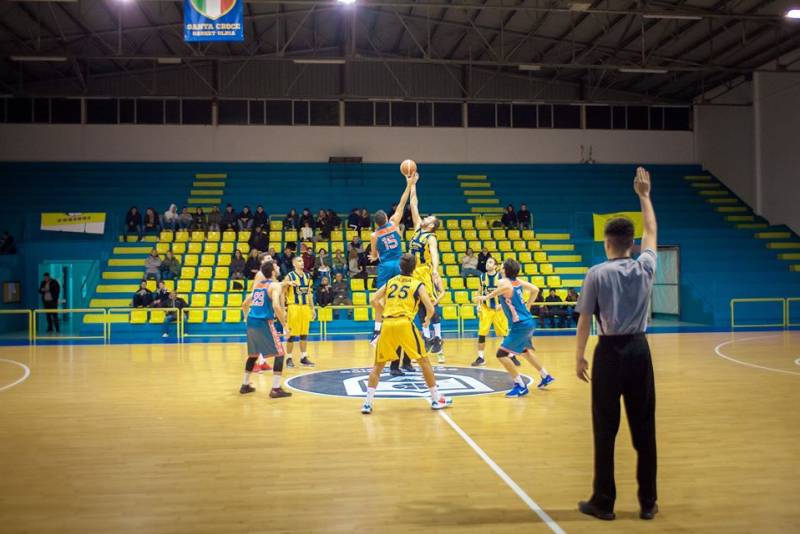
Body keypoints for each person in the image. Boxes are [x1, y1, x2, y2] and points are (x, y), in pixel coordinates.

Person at [575, 167, 659, 522]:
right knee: (644, 427)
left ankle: (604, 502)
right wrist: (644, 195)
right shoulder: (645, 267)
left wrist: (579, 356)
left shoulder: (596, 273)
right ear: (632, 243)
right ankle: (648, 502)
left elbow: (583, 319)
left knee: (604, 428)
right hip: (639, 350)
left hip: (608, 352)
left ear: (607, 242)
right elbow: (653, 230)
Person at [361, 253, 452, 415]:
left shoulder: (391, 281)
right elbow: (430, 307)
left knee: (378, 365)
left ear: (400, 267)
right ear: (415, 267)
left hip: (388, 323)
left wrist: (384, 313)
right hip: (404, 323)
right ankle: (436, 398)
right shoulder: (418, 284)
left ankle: (367, 403)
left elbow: (374, 300)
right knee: (424, 361)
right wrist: (427, 320)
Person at [476, 258, 554, 397]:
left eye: (503, 266)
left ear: (504, 270)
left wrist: (485, 297)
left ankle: (520, 385)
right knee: (525, 352)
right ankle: (545, 375)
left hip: (520, 325)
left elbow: (505, 288)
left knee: (501, 354)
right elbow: (535, 290)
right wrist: (528, 305)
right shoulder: (517, 281)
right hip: (528, 322)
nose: (501, 267)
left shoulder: (503, 282)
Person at [369, 174, 415, 345]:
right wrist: (409, 184)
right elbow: (402, 203)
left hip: (386, 265)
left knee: (380, 298)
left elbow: (374, 255)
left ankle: (377, 332)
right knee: (405, 294)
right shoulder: (395, 224)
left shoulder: (374, 235)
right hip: (400, 262)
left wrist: (374, 256)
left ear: (376, 223)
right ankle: (406, 324)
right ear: (387, 219)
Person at [239, 261, 292, 398]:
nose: (279, 267)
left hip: (251, 321)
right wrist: (285, 325)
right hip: (264, 322)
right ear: (273, 272)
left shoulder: (258, 285)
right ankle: (275, 389)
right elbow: (275, 306)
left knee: (253, 354)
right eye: (276, 266)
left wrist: (246, 318)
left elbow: (245, 304)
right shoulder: (274, 286)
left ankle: (245, 385)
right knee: (280, 354)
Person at [407, 171, 445, 361]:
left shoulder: (431, 236)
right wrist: (412, 184)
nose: (426, 218)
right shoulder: (416, 229)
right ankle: (429, 338)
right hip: (411, 274)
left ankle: (438, 336)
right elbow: (413, 204)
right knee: (420, 308)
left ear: (432, 226)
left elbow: (435, 254)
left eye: (429, 219)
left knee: (429, 305)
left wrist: (436, 270)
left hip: (423, 272)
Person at [471, 257, 512, 367]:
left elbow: (507, 292)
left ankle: (511, 356)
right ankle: (480, 358)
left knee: (504, 333)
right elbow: (479, 292)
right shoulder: (482, 276)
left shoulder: (500, 277)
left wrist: (503, 304)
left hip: (499, 309)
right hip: (486, 309)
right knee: (482, 333)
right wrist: (478, 305)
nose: (487, 264)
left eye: (490, 262)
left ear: (495, 266)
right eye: (487, 262)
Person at [285, 256, 316, 368]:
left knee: (304, 334)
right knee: (291, 335)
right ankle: (288, 358)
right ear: (294, 264)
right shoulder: (289, 276)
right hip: (293, 307)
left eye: (302, 261)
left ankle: (303, 357)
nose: (302, 262)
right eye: (299, 261)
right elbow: (283, 292)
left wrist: (312, 308)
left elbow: (309, 293)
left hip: (305, 307)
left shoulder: (307, 276)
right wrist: (284, 309)